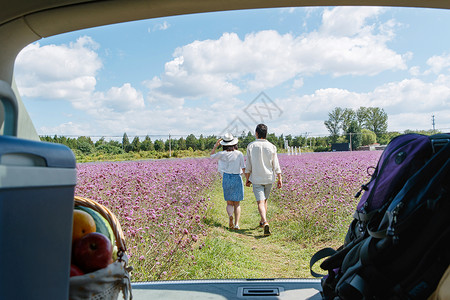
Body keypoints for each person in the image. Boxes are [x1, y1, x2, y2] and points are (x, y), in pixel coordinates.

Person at [245, 124, 282, 236]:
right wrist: (279, 178)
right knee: (265, 200)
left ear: (256, 133)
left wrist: (247, 178)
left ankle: (264, 221)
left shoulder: (251, 146)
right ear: (266, 133)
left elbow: (248, 165)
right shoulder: (272, 146)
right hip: (269, 177)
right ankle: (262, 221)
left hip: (257, 178)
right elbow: (276, 164)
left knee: (260, 202)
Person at [211, 133, 246, 230]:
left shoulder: (221, 154)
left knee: (229, 203)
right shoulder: (239, 153)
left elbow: (211, 156)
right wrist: (247, 179)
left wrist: (215, 146)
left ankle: (230, 215)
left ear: (224, 144)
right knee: (237, 204)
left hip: (226, 178)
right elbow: (243, 167)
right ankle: (237, 224)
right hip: (237, 177)